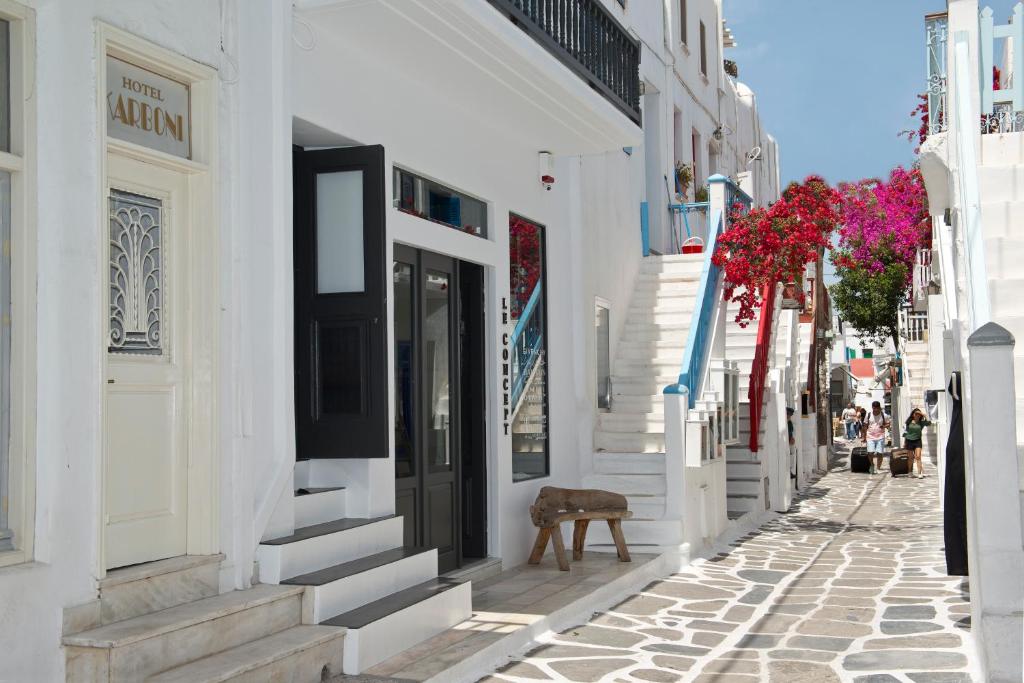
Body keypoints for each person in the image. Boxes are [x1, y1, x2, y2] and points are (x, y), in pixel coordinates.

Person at [904, 408, 932, 478]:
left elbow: (929, 423)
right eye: (916, 414)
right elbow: (905, 432)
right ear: (913, 415)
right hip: (909, 441)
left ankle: (920, 473)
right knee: (910, 458)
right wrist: (905, 442)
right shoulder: (908, 422)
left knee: (918, 456)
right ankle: (910, 472)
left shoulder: (921, 423)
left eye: (919, 414)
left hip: (918, 441)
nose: (917, 415)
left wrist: (924, 415)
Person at [864, 401, 890, 474]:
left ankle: (878, 468)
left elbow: (888, 424)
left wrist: (884, 426)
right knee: (870, 452)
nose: (875, 410)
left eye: (877, 408)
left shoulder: (884, 415)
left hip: (880, 436)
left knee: (880, 453)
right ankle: (872, 464)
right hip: (870, 436)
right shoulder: (868, 415)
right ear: (872, 407)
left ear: (879, 408)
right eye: (874, 408)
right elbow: (865, 425)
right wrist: (863, 436)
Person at [787, 407, 798, 488]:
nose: (789, 416)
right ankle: (789, 472)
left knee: (791, 456)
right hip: (785, 443)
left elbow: (791, 431)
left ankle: (790, 471)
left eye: (790, 415)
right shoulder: (785, 422)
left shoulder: (789, 422)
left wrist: (792, 438)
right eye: (789, 415)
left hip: (789, 443)